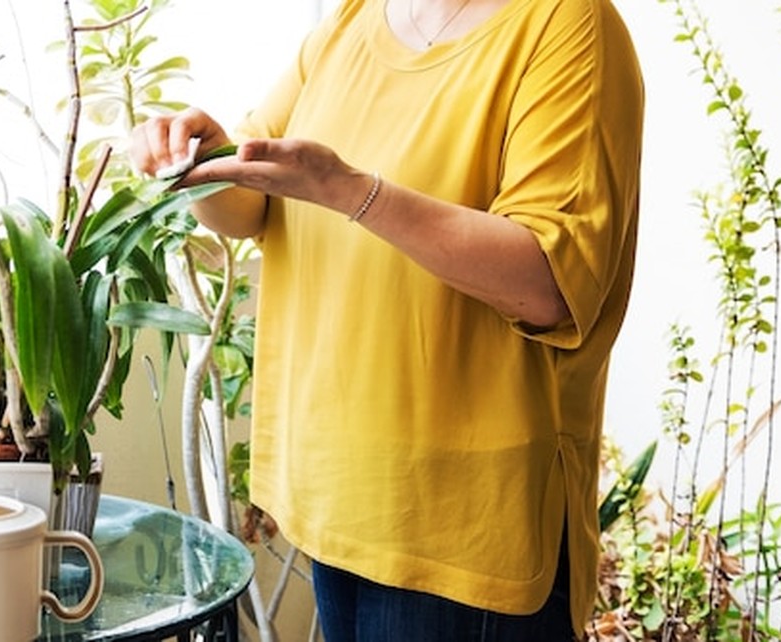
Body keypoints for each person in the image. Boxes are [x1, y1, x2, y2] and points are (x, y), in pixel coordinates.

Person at [130, 0, 643, 639]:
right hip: (342, 493)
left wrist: (349, 191)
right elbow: (251, 204)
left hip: (457, 524)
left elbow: (547, 282)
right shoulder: (351, 21)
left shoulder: (567, 25)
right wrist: (201, 162)